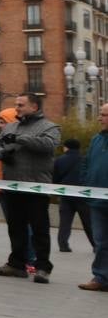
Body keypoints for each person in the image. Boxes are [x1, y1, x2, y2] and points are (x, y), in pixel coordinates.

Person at [0, 93, 60, 283]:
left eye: (21, 105)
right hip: (12, 186)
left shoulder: (49, 127)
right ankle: (16, 264)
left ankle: (43, 267)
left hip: (36, 187)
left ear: (34, 107)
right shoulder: (11, 126)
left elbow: (49, 145)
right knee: (15, 227)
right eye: (16, 105)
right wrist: (3, 153)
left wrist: (21, 139)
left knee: (39, 229)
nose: (17, 108)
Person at [78, 103, 108, 292]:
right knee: (101, 241)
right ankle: (101, 277)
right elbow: (86, 163)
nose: (100, 118)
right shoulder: (97, 139)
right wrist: (85, 185)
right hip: (97, 201)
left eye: (104, 115)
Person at [54, 139, 96, 253]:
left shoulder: (59, 160)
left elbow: (55, 178)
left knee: (65, 221)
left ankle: (63, 245)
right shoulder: (85, 160)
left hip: (66, 194)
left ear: (66, 147)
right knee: (88, 222)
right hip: (83, 195)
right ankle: (96, 245)